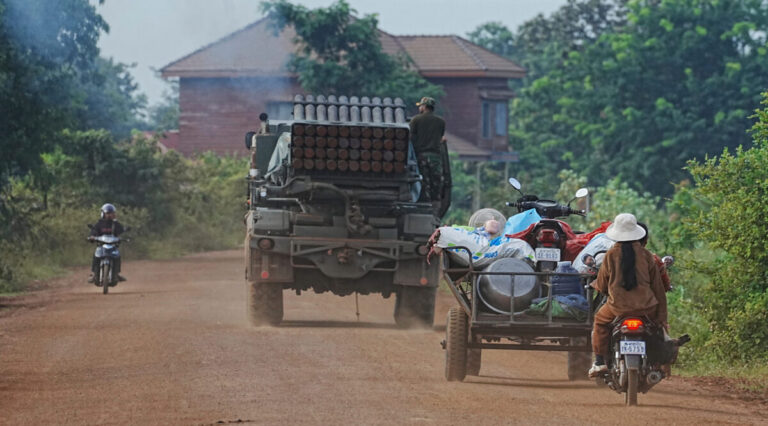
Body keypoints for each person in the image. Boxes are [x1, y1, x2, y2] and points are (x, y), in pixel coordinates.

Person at [588, 213, 667, 377]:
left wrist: (601, 287)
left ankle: (600, 362)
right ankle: (658, 363)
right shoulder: (646, 255)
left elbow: (602, 285)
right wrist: (661, 317)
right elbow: (658, 288)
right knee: (657, 329)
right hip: (646, 308)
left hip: (618, 308)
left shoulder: (611, 254)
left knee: (600, 322)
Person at [409, 96, 446, 213]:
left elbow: (410, 137)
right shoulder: (441, 122)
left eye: (420, 106)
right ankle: (435, 206)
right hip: (435, 157)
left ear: (424, 107)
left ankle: (423, 204)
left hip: (421, 156)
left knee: (423, 181)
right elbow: (440, 138)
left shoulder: (416, 120)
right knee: (436, 182)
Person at [88, 203, 126, 284]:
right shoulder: (99, 224)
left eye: (111, 213)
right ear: (103, 214)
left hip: (113, 246)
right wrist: (92, 236)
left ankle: (116, 274)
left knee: (117, 257)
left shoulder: (115, 224)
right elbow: (94, 231)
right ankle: (94, 274)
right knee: (96, 257)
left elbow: (121, 232)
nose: (110, 215)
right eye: (108, 213)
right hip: (101, 246)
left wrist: (124, 237)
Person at [637, 222, 672, 292]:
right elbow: (665, 285)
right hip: (646, 301)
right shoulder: (654, 260)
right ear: (646, 241)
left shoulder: (612, 257)